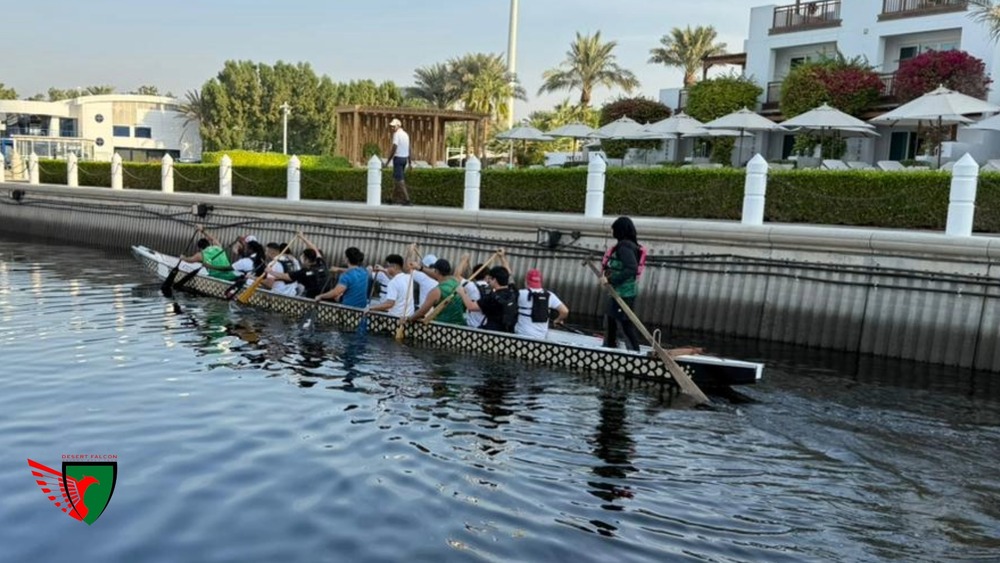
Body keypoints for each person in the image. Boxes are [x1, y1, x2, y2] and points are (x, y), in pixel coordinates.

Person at [601, 216, 642, 351]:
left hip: (624, 293)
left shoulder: (624, 246)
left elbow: (631, 268)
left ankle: (634, 353)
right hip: (621, 292)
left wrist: (611, 280)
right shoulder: (630, 245)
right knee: (611, 320)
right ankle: (610, 347)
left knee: (624, 323)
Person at [456, 265, 518, 333]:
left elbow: (471, 306)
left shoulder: (492, 298)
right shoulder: (514, 292)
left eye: (490, 279)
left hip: (492, 334)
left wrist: (462, 293)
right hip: (509, 334)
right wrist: (502, 258)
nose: (488, 281)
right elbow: (510, 277)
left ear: (494, 280)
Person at [408, 258, 466, 326]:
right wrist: (419, 268)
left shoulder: (436, 292)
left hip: (443, 327)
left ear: (436, 271)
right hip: (461, 325)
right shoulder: (455, 280)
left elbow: (421, 313)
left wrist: (408, 319)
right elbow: (435, 274)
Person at [515, 268, 569, 340]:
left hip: (521, 335)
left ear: (526, 281)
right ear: (540, 281)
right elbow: (565, 311)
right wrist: (558, 320)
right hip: (540, 337)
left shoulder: (520, 293)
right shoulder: (550, 295)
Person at [385, 118, 412, 205]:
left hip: (398, 159)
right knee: (396, 180)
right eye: (391, 126)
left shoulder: (396, 134)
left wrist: (387, 161)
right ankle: (391, 198)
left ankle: (407, 199)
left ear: (398, 126)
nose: (392, 128)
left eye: (393, 126)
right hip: (404, 159)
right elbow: (409, 149)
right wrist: (410, 162)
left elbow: (394, 147)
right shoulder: (406, 135)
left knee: (400, 180)